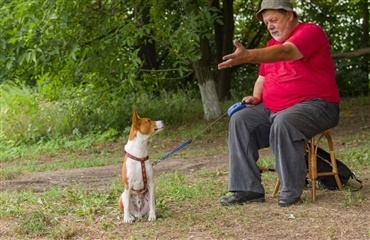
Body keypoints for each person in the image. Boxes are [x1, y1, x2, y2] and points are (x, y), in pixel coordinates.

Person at [218, 0, 340, 207]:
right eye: (266, 23)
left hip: (318, 106)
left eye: (274, 20)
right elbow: (262, 79)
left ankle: (291, 189)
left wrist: (248, 55)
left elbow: (287, 52)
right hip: (274, 109)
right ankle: (248, 189)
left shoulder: (310, 32)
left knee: (284, 121)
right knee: (240, 120)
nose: (270, 26)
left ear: (289, 15)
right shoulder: (270, 46)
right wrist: (256, 97)